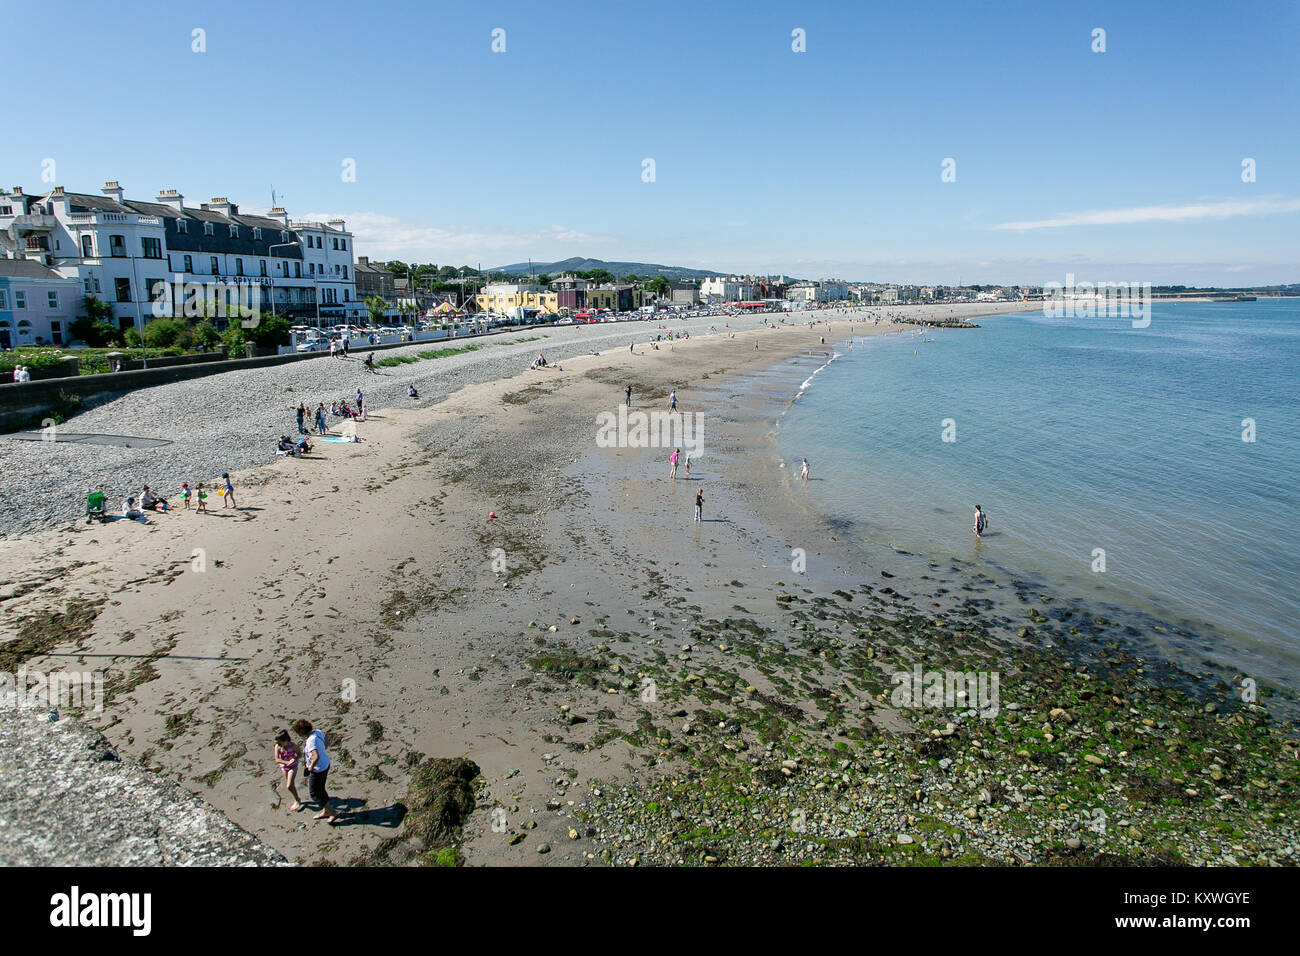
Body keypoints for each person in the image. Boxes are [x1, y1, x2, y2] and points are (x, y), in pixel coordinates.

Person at [292, 719, 338, 822]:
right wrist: (323, 749)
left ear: (301, 732)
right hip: (325, 763)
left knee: (314, 793)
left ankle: (332, 812)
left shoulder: (310, 741)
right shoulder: (317, 732)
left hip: (318, 769)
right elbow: (327, 741)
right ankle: (326, 810)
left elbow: (315, 757)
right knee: (321, 789)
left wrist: (310, 767)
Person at [274, 729, 303, 812]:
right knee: (291, 785)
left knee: (289, 785)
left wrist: (294, 758)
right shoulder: (278, 747)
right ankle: (297, 798)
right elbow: (277, 759)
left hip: (293, 767)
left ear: (286, 740)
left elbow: (299, 754)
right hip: (283, 767)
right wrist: (286, 762)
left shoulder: (293, 746)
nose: (278, 744)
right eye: (277, 743)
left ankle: (297, 800)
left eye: (280, 743)